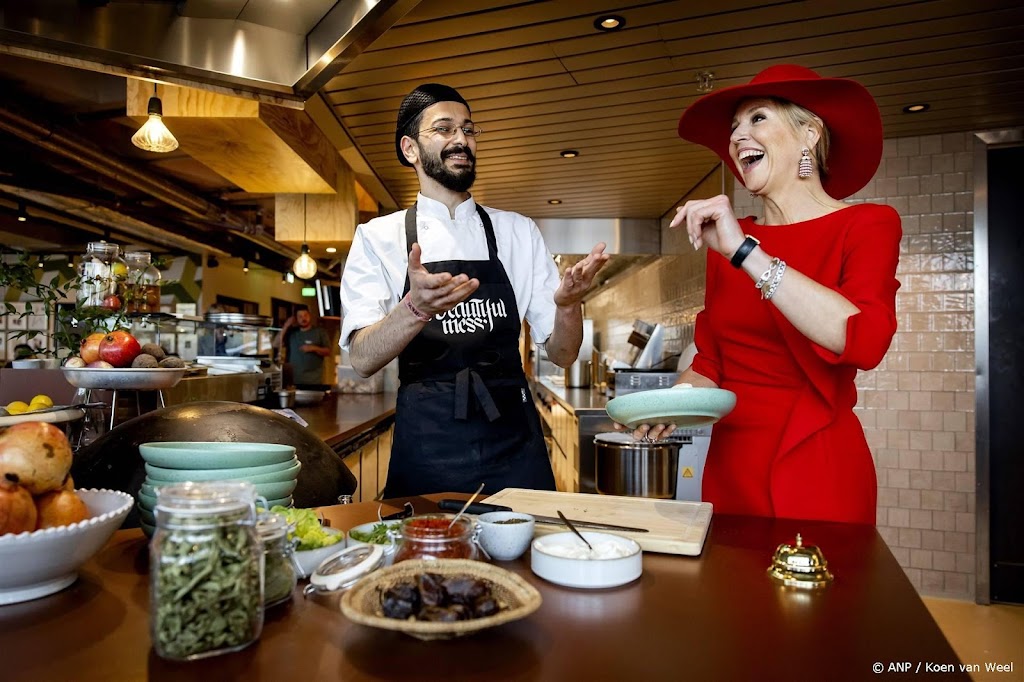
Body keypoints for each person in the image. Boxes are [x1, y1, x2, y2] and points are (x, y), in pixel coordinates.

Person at [627, 64, 901, 524]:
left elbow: (865, 338)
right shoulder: (729, 246)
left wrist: (745, 252)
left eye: (757, 118)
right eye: (734, 127)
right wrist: (661, 407)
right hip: (733, 468)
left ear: (809, 133)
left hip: (819, 466)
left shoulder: (868, 224)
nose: (737, 137)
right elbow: (711, 362)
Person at [340, 83, 608, 498]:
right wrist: (415, 308)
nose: (461, 140)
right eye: (443, 129)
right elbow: (361, 359)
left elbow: (563, 353)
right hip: (428, 444)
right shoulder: (377, 237)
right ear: (410, 149)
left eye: (467, 129)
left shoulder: (517, 231)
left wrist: (570, 305)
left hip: (513, 443)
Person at [275, 306, 331, 387]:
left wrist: (313, 348)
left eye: (305, 315)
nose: (303, 318)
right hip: (293, 382)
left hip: (314, 381)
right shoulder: (291, 333)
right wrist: (286, 325)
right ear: (296, 318)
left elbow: (328, 352)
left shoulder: (320, 332)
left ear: (310, 315)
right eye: (300, 316)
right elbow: (275, 344)